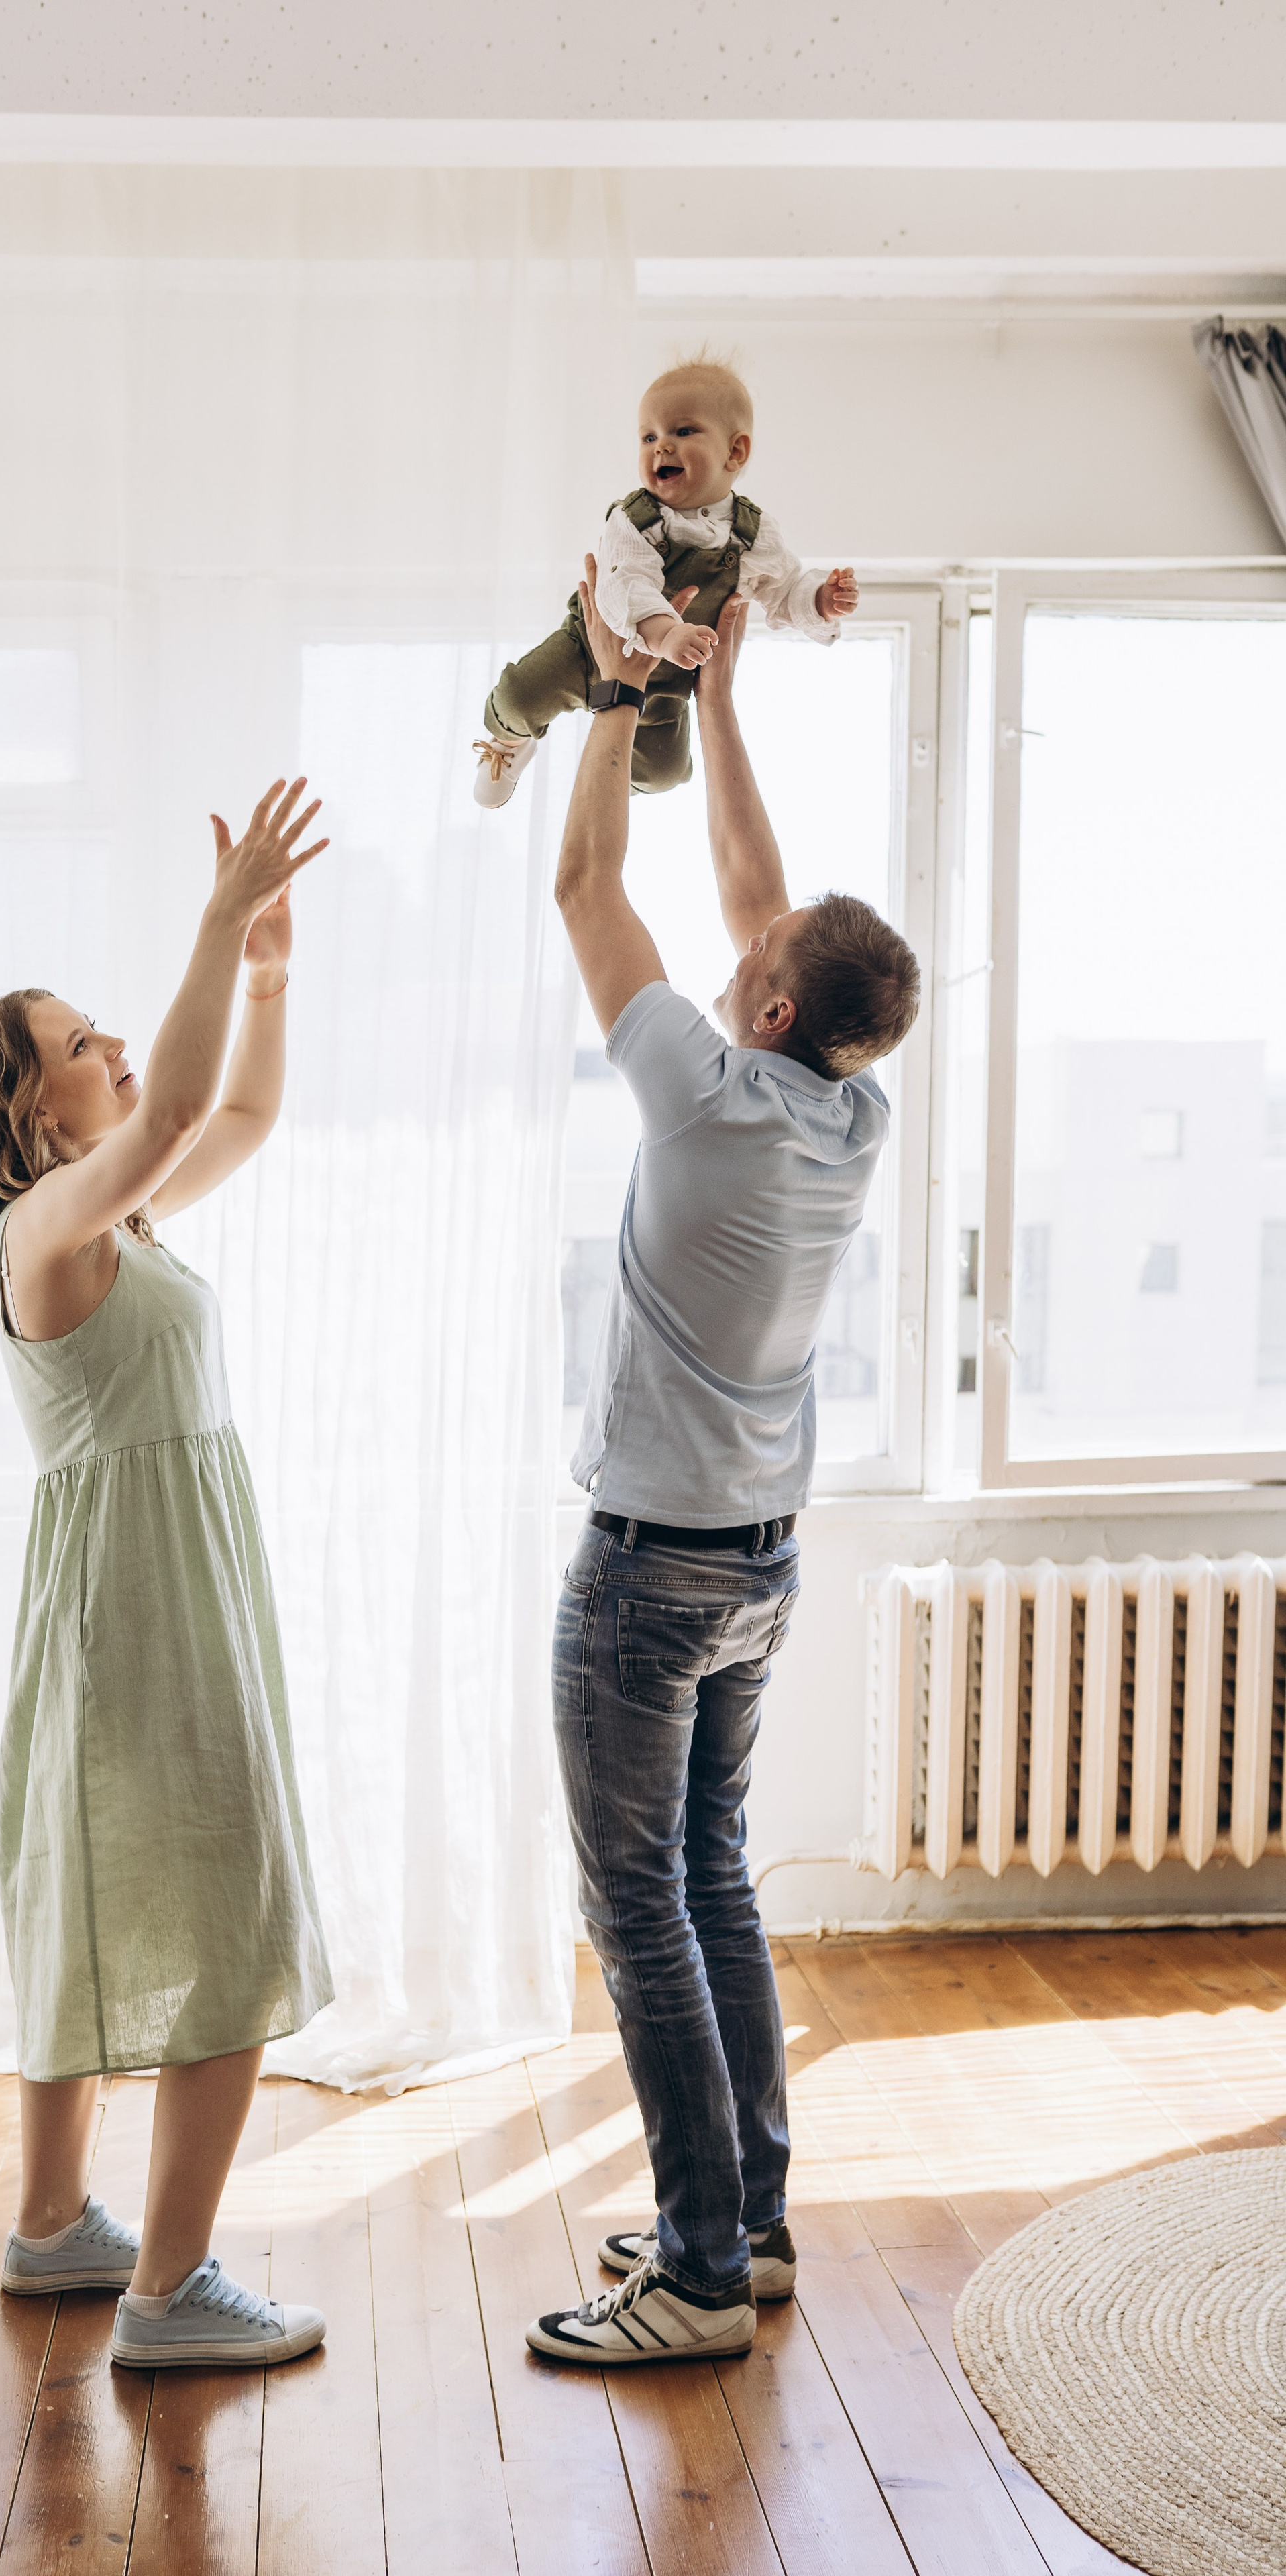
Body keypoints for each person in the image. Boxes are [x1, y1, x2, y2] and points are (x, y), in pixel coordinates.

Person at [527, 573, 920, 2365]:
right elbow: (768, 910)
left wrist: (619, 698)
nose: (733, 945)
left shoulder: (698, 1085)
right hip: (758, 1571)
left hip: (649, 1578)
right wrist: (729, 703)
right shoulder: (847, 1103)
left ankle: (694, 2277)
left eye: (751, 961)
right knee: (720, 1881)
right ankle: (744, 2224)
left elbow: (587, 888)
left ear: (761, 1009)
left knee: (645, 1914)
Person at [0, 779, 336, 2373]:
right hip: (140, 1616)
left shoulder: (114, 1219)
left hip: (160, 1590)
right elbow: (172, 1111)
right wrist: (215, 921)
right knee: (216, 1912)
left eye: (110, 1028)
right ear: (29, 1111)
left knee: (96, 1904)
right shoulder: (43, 1225)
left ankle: (54, 2232)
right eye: (79, 1040)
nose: (112, 1050)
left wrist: (270, 973)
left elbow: (227, 1119)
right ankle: (166, 2296)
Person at [472, 358, 857, 808]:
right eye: (649, 436)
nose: (661, 447)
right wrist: (667, 631)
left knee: (664, 774)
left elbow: (783, 585)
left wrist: (819, 599)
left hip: (667, 678)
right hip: (589, 650)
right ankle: (509, 744)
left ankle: (611, 766)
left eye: (683, 432)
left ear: (735, 452)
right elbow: (627, 583)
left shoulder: (752, 534)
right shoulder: (636, 520)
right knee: (519, 697)